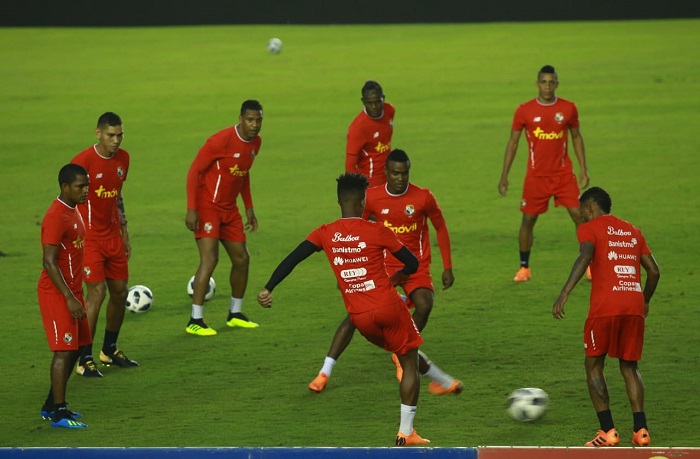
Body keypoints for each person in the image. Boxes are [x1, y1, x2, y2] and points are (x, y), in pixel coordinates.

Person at [258, 172, 463, 445]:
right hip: (389, 307)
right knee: (408, 360)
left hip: (360, 317)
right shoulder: (377, 230)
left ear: (338, 200)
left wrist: (268, 288)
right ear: (364, 200)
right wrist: (398, 278)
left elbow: (293, 259)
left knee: (405, 352)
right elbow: (412, 263)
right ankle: (406, 432)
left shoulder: (324, 232)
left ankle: (444, 381)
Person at [309, 149, 461, 395]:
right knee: (356, 316)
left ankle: (401, 354)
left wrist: (447, 266)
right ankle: (325, 370)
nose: (401, 178)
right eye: (395, 173)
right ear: (386, 173)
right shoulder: (371, 198)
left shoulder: (423, 197)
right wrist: (347, 270)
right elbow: (353, 229)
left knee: (424, 302)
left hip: (415, 265)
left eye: (405, 173)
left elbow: (440, 227)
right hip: (380, 266)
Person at [552, 187, 660, 447]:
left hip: (605, 307)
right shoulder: (633, 231)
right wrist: (644, 300)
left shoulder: (591, 228)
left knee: (594, 366)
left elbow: (585, 255)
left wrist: (564, 292)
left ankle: (608, 431)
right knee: (629, 366)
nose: (581, 218)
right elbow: (654, 271)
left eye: (582, 213)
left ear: (590, 208)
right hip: (633, 305)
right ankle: (641, 430)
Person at [499, 65, 590, 282]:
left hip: (563, 175)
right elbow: (513, 143)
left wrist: (583, 168)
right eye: (544, 82)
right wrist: (504, 175)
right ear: (537, 84)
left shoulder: (568, 108)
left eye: (551, 82)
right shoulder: (524, 110)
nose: (547, 86)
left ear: (557, 84)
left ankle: (589, 265)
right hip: (536, 177)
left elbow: (576, 137)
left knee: (580, 216)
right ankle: (524, 268)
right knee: (528, 221)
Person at [184, 100, 264, 336]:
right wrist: (192, 209)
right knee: (210, 259)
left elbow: (243, 173)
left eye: (259, 120)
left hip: (229, 210)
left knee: (242, 259)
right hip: (207, 206)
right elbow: (194, 171)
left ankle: (235, 313)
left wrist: (248, 206)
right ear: (240, 119)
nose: (255, 125)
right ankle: (195, 320)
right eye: (250, 120)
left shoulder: (255, 144)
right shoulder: (220, 141)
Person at [72, 112, 139, 377]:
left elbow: (117, 195)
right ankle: (83, 357)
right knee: (97, 294)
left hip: (113, 236)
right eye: (111, 135)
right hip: (89, 239)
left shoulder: (124, 159)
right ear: (98, 133)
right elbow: (68, 203)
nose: (116, 140)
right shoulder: (82, 162)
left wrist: (124, 229)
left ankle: (109, 350)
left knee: (120, 292)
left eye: (120, 135)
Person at [38, 163, 91, 428]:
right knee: (63, 350)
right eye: (81, 186)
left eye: (87, 185)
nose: (86, 191)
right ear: (65, 187)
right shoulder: (56, 216)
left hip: (73, 291)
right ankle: (59, 411)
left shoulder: (75, 210)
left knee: (79, 345)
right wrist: (69, 297)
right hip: (58, 293)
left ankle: (51, 405)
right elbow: (49, 261)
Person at [346, 80, 395, 187]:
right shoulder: (358, 128)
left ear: (383, 98)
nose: (374, 107)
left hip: (391, 179)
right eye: (369, 103)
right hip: (371, 184)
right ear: (363, 102)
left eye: (377, 102)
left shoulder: (389, 111)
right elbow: (350, 167)